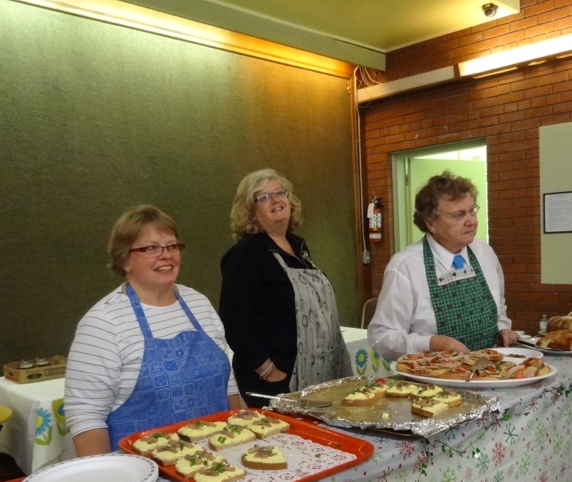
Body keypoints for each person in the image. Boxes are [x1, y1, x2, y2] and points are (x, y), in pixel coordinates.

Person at [65, 205, 240, 456]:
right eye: (151, 248)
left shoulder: (199, 303)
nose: (166, 254)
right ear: (125, 259)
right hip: (142, 474)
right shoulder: (102, 324)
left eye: (171, 246)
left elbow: (228, 385)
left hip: (218, 463)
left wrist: (238, 444)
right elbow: (86, 417)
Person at [219, 169, 350, 407]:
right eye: (264, 197)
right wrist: (268, 370)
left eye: (279, 192)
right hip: (279, 383)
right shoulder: (246, 254)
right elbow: (233, 321)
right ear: (251, 213)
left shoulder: (299, 249)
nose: (276, 199)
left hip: (319, 378)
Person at [367, 170, 517, 360]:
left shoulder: (484, 253)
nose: (471, 221)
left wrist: (503, 327)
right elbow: (381, 337)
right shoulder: (405, 266)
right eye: (459, 215)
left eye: (472, 210)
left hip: (490, 370)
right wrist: (431, 344)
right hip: (436, 379)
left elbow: (500, 306)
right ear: (431, 223)